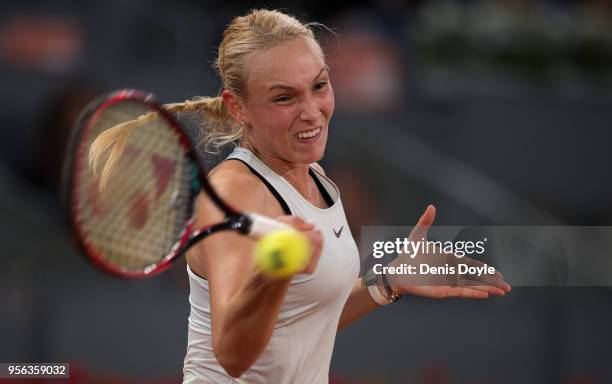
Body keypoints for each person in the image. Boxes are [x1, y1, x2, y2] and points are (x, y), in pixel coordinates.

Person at [91, 9, 511, 383]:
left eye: (319, 86)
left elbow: (303, 322)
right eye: (284, 97)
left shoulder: (317, 177)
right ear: (237, 108)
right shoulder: (236, 192)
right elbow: (232, 355)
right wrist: (276, 270)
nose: (312, 110)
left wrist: (387, 282)